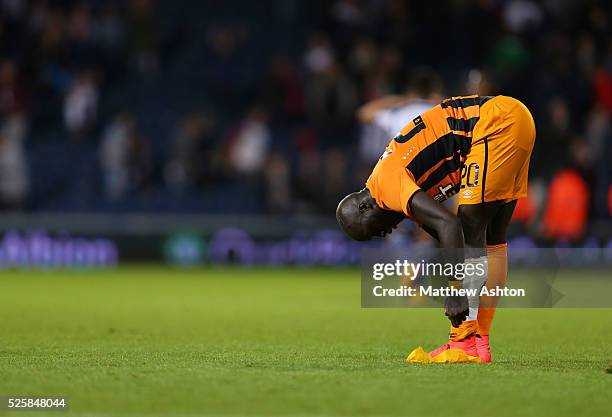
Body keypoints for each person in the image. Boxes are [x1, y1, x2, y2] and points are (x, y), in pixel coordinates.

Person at [336, 95, 536, 362]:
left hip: (494, 124)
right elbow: (450, 238)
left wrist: (455, 291)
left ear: (364, 208)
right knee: (492, 238)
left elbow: (451, 225)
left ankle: (464, 341)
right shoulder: (393, 191)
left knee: (472, 223)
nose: (384, 233)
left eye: (373, 231)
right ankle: (478, 342)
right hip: (515, 119)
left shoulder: (386, 186)